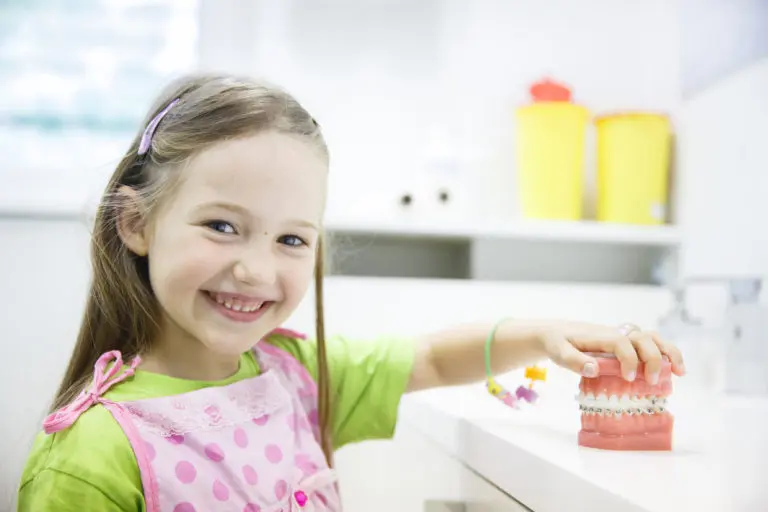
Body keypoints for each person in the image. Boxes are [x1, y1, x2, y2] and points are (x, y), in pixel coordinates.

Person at [17, 73, 685, 511]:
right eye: (223, 226)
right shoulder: (91, 455)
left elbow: (428, 358)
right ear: (136, 223)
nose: (255, 270)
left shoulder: (294, 377)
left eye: (291, 240)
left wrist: (544, 335)